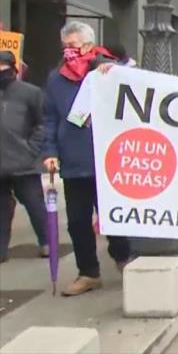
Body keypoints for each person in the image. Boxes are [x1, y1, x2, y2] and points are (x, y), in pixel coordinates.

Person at [43, 21, 131, 296]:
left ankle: (123, 258)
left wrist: (112, 73)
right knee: (78, 222)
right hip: (73, 162)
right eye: (65, 46)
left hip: (105, 160)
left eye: (74, 46)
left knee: (111, 217)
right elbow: (50, 118)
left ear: (89, 46)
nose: (69, 52)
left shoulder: (108, 71)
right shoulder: (55, 79)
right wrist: (50, 152)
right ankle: (88, 272)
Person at [0, 51, 48, 263]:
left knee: (34, 203)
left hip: (23, 161)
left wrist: (31, 149)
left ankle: (47, 242)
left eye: (3, 66)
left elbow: (42, 123)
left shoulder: (31, 92)